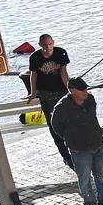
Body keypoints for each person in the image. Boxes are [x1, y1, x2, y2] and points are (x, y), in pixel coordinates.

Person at [49, 77, 103, 205]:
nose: (86, 91)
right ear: (72, 91)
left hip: (97, 144)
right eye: (82, 89)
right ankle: (90, 204)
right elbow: (56, 126)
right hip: (79, 149)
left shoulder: (90, 100)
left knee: (102, 175)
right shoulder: (61, 108)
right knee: (84, 178)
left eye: (86, 88)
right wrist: (71, 138)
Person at [24, 34, 72, 165]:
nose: (48, 48)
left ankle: (74, 149)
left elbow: (64, 72)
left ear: (53, 43)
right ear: (40, 45)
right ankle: (65, 155)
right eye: (45, 45)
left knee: (69, 120)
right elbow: (33, 75)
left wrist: (69, 89)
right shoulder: (35, 57)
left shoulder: (60, 53)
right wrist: (33, 93)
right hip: (45, 93)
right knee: (53, 125)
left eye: (50, 44)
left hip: (61, 90)